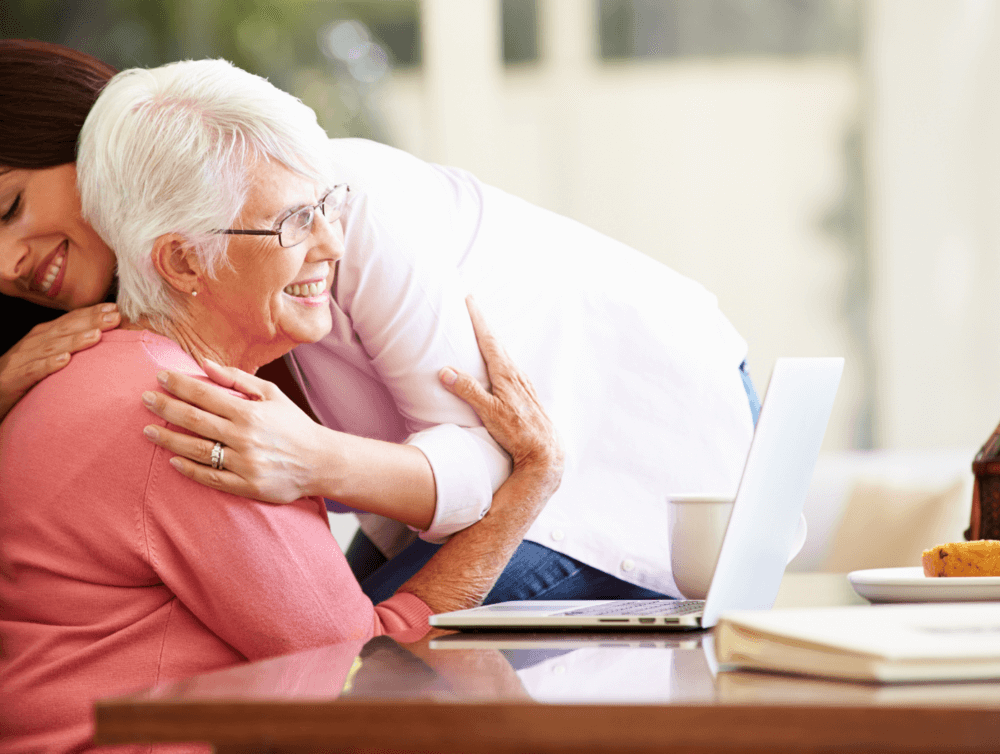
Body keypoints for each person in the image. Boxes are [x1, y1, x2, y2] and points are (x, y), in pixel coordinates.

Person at [0, 41, 758, 604]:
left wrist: (314, 457)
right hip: (463, 493)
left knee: (371, 664)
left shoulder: (327, 206)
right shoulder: (113, 334)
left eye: (10, 207)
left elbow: (484, 463)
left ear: (83, 146)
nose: (9, 262)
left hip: (624, 451)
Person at [0, 58, 563, 754]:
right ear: (180, 263)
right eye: (295, 222)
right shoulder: (189, 415)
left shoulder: (106, 371)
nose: (331, 242)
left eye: (327, 206)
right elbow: (367, 672)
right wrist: (528, 487)